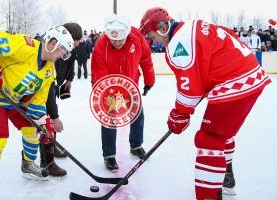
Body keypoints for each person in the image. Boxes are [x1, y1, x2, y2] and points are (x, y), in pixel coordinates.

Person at [139, 7, 271, 200]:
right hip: (248, 76)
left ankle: (208, 195)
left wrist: (179, 115)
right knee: (222, 133)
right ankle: (226, 179)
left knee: (209, 138)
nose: (153, 42)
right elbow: (202, 75)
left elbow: (190, 89)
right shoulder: (194, 26)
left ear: (161, 27)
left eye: (151, 36)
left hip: (234, 82)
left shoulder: (178, 44)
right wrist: (185, 110)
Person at [0, 25, 75, 199]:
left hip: (13, 102)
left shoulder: (50, 70)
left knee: (33, 129)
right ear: (52, 43)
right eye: (62, 51)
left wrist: (42, 121)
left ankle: (28, 164)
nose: (61, 56)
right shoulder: (25, 45)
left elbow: (38, 100)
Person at [91, 14, 155, 171]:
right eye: (113, 40)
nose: (117, 43)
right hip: (110, 88)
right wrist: (103, 98)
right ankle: (109, 156)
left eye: (120, 39)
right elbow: (98, 75)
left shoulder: (137, 37)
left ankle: (136, 145)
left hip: (131, 84)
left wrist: (149, 81)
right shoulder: (101, 45)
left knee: (138, 116)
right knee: (109, 120)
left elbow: (146, 59)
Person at [40, 22, 83, 176]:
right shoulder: (52, 52)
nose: (75, 47)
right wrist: (55, 116)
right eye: (74, 44)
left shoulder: (69, 49)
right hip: (44, 87)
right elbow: (48, 86)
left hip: (55, 83)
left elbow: (72, 61)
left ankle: (51, 146)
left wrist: (69, 80)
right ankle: (47, 162)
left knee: (50, 119)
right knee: (46, 120)